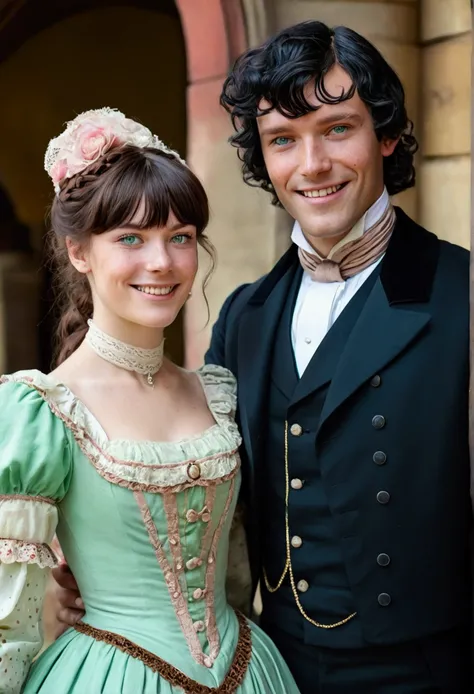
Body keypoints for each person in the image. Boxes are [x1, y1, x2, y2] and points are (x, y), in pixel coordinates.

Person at [53, 21, 473, 693]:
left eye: (338, 129)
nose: (311, 165)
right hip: (275, 668)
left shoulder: (462, 298)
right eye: (283, 140)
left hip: (430, 673)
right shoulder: (247, 316)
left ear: (387, 137)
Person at [0, 108, 299, 694]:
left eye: (179, 238)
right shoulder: (41, 410)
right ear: (79, 252)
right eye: (130, 238)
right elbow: (8, 623)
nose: (161, 262)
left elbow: (237, 576)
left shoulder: (217, 392)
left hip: (251, 671)